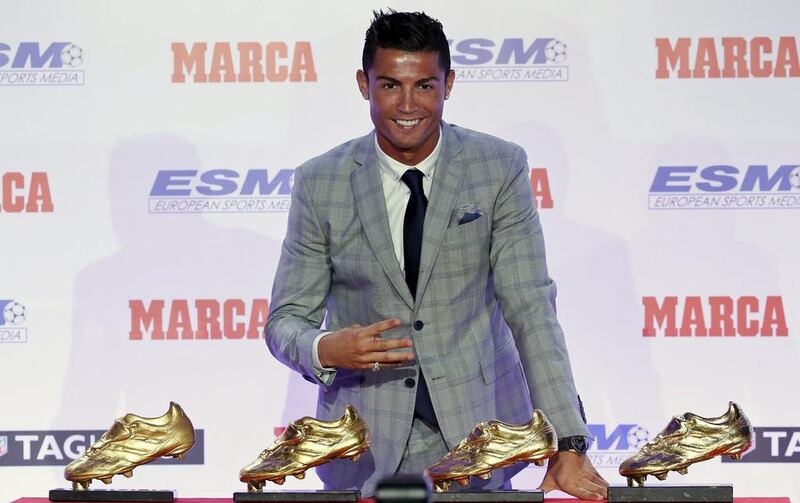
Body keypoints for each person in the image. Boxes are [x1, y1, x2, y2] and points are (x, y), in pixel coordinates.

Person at [266, 10, 607, 499]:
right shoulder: (321, 181)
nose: (408, 105)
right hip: (363, 442)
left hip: (483, 435)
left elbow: (530, 307)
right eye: (390, 85)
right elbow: (285, 321)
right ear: (364, 84)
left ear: (449, 85)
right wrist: (327, 349)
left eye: (425, 86)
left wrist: (568, 440)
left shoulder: (498, 167)